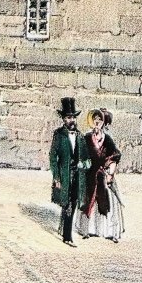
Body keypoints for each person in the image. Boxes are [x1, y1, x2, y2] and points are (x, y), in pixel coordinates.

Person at [75, 108, 124, 242]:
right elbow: (81, 156)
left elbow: (114, 156)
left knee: (107, 199)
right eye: (95, 120)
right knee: (88, 201)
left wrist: (110, 175)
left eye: (100, 121)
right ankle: (87, 230)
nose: (97, 123)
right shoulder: (86, 138)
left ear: (103, 123)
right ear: (91, 122)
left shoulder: (107, 139)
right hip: (90, 175)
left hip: (104, 174)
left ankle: (108, 231)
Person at [49, 97, 88, 247]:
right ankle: (67, 236)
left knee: (74, 202)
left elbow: (87, 159)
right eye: (68, 117)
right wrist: (56, 177)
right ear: (63, 119)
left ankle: (65, 231)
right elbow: (53, 157)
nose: (71, 120)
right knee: (66, 204)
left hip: (78, 176)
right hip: (64, 176)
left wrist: (82, 164)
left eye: (73, 117)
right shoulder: (58, 135)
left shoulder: (80, 136)